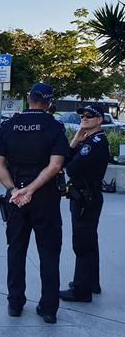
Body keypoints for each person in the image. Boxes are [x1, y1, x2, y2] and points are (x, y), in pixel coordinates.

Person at [0, 83, 69, 324]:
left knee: (16, 249)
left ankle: (15, 303)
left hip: (15, 198)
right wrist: (32, 189)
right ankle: (48, 308)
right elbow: (56, 165)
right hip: (44, 196)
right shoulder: (54, 126)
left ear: (28, 98)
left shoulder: (8, 125)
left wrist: (16, 190)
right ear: (49, 102)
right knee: (48, 252)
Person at [59, 104, 110, 302]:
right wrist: (75, 141)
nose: (84, 118)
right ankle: (91, 283)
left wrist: (75, 145)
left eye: (90, 115)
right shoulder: (89, 140)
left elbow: (69, 168)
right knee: (89, 241)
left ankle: (81, 290)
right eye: (82, 114)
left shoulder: (94, 143)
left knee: (82, 243)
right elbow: (69, 161)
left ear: (100, 120)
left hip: (85, 198)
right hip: (87, 196)